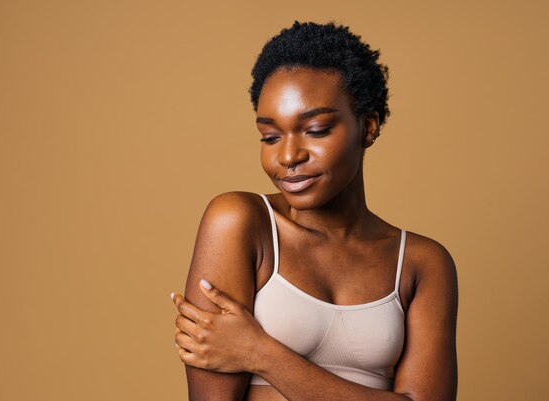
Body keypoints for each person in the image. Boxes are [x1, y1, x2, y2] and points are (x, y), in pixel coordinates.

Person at [171, 21, 458, 401]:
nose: (288, 156)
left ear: (368, 127)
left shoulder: (422, 264)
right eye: (270, 137)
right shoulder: (241, 222)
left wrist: (260, 353)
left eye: (317, 129)